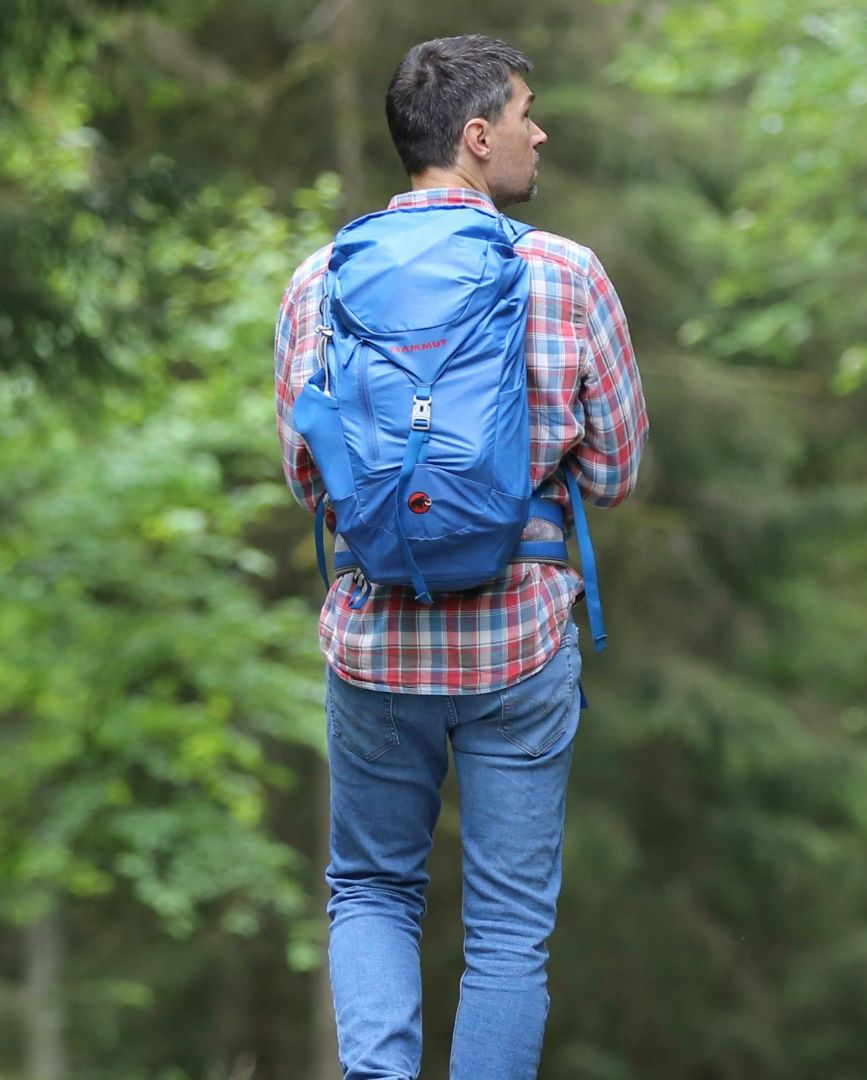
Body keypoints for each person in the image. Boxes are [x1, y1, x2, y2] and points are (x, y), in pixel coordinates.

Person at [272, 34, 648, 1080]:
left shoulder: (322, 279)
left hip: (376, 643)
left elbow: (310, 478)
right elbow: (615, 471)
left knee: (372, 890)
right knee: (507, 931)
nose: (540, 131)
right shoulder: (565, 275)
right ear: (475, 139)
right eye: (525, 111)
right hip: (518, 643)